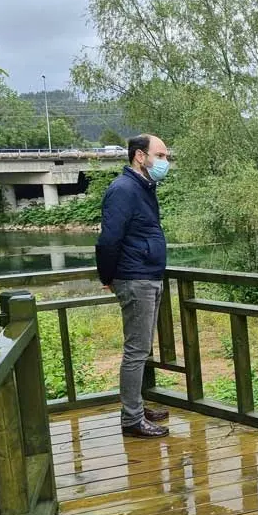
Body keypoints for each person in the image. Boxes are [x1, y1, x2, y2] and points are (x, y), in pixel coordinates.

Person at [95, 133, 173, 439]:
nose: (165, 162)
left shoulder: (143, 187)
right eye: (161, 155)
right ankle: (131, 419)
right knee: (136, 350)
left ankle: (136, 407)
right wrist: (108, 277)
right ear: (140, 156)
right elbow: (109, 239)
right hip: (136, 277)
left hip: (148, 275)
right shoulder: (124, 189)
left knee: (142, 348)